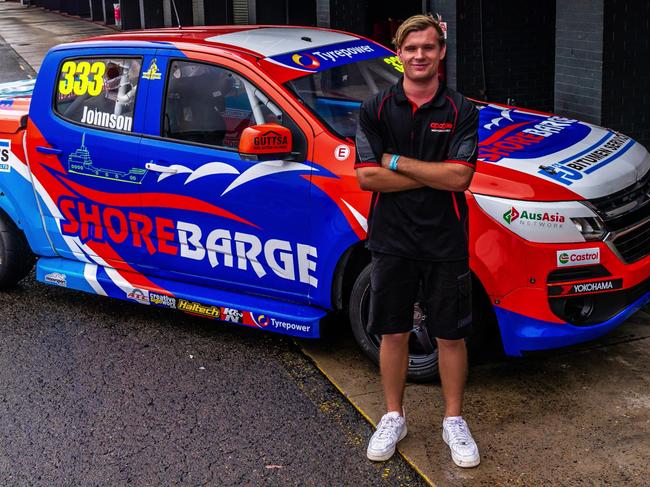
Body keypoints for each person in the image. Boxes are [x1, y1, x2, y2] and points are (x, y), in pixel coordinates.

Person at [354, 14, 480, 468]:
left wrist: (397, 161)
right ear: (399, 53)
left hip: (445, 240)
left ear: (441, 51)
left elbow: (461, 177)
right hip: (391, 240)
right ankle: (393, 416)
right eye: (411, 49)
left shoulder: (461, 111)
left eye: (428, 47)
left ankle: (453, 421)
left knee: (450, 335)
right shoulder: (375, 109)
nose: (420, 55)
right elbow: (368, 177)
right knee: (392, 331)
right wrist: (434, 175)